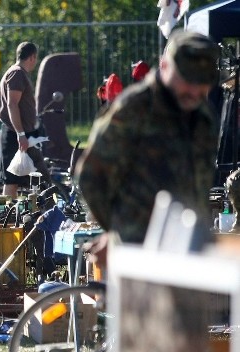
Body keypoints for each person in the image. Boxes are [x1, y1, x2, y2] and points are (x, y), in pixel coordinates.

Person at [75, 31, 220, 252]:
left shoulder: (204, 117)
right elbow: (90, 176)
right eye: (186, 79)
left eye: (201, 82)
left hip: (187, 248)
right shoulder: (135, 109)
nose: (193, 90)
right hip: (139, 251)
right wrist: (121, 231)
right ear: (164, 67)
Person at [0, 41, 51, 198]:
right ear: (32, 57)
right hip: (15, 134)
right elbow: (12, 104)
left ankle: (34, 212)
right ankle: (9, 216)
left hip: (21, 133)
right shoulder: (17, 73)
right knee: (11, 180)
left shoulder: (16, 73)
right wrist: (20, 134)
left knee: (36, 176)